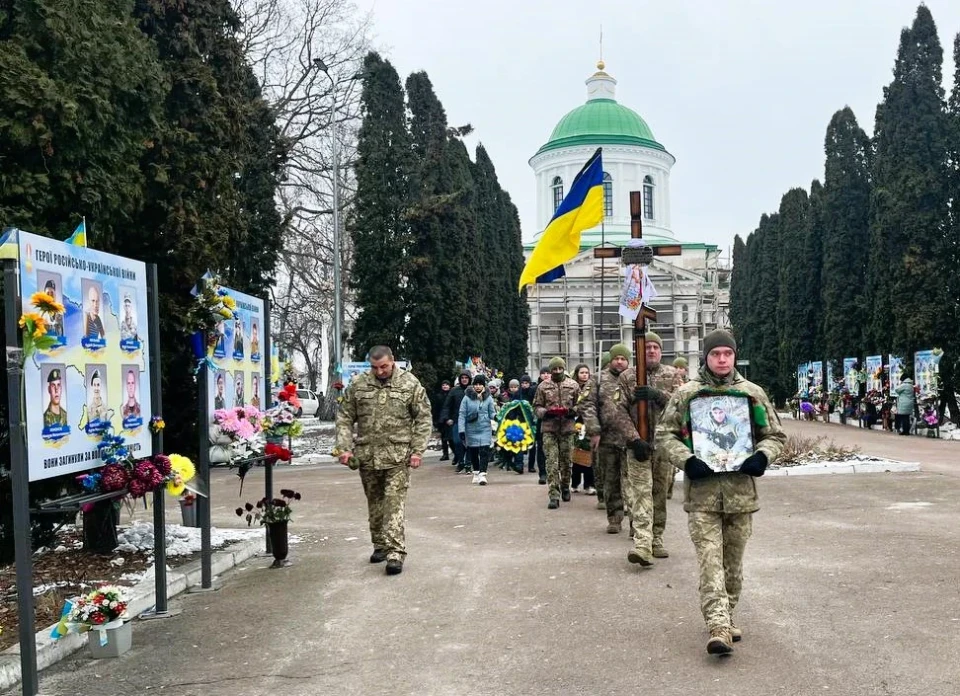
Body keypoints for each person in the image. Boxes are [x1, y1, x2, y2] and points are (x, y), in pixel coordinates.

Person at [657, 329, 786, 655]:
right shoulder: (687, 395)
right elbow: (664, 435)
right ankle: (718, 627)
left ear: (734, 355)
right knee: (710, 561)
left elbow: (775, 435)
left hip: (740, 493)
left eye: (727, 353)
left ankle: (727, 616)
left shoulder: (751, 394)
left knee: (733, 565)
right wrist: (687, 460)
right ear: (707, 357)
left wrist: (762, 456)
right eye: (716, 354)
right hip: (703, 494)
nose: (722, 359)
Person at [335, 345, 432, 575]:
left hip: (398, 457)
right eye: (375, 367)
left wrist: (417, 451)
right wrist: (344, 447)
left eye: (384, 367)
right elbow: (345, 416)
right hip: (367, 456)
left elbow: (423, 418)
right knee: (375, 502)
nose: (379, 372)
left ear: (393, 361)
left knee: (393, 503)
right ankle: (379, 544)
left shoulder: (409, 384)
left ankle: (395, 553)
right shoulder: (358, 384)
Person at [639, 332, 683, 558]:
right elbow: (616, 410)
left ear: (661, 351)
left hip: (663, 444)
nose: (652, 350)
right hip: (637, 444)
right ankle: (641, 539)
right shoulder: (630, 375)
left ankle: (656, 537)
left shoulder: (672, 374)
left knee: (658, 492)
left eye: (656, 347)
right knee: (638, 493)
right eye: (647, 347)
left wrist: (657, 394)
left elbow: (680, 404)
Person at [532, 357, 580, 509]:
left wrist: (572, 412)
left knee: (566, 462)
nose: (557, 371)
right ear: (551, 370)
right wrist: (545, 413)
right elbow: (536, 406)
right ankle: (553, 494)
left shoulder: (573, 385)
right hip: (549, 429)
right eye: (555, 369)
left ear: (564, 369)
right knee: (552, 462)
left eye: (560, 368)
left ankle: (565, 485)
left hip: (567, 428)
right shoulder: (543, 386)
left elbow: (581, 404)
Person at [458, 374, 497, 485]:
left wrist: (496, 417)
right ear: (473, 385)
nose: (478, 386)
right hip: (471, 428)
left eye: (480, 384)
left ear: (484, 385)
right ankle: (476, 472)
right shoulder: (466, 398)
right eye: (476, 384)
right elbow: (462, 414)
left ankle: (483, 474)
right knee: (474, 452)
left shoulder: (488, 398)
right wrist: (461, 430)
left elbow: (492, 413)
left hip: (485, 427)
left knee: (484, 451)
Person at [570, 363, 596, 495]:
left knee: (589, 456)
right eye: (582, 372)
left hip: (589, 423)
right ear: (577, 374)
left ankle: (589, 484)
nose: (584, 375)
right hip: (575, 423)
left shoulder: (593, 386)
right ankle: (574, 483)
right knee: (576, 455)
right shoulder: (572, 387)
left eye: (586, 372)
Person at [441, 371, 472, 472]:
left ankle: (468, 463)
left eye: (466, 377)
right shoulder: (454, 391)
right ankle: (460, 461)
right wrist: (447, 418)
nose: (464, 379)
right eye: (462, 377)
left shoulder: (473, 390)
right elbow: (447, 406)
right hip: (457, 420)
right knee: (457, 441)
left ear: (469, 379)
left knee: (470, 443)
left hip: (471, 421)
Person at [894, 370, 916, 436]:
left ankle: (904, 431)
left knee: (903, 418)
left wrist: (900, 385)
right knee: (906, 417)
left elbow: (897, 389)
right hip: (910, 403)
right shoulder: (911, 385)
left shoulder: (904, 385)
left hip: (903, 403)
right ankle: (906, 431)